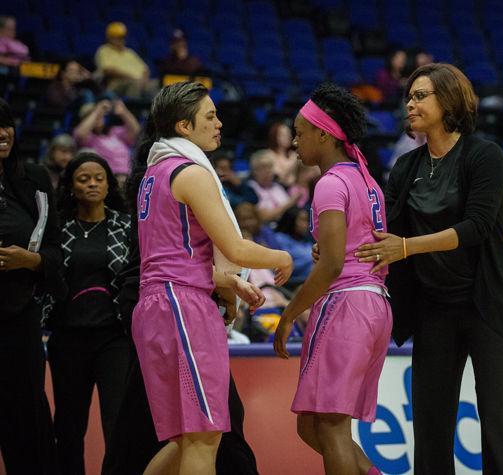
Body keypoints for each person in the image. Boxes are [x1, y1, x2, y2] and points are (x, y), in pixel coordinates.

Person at [353, 63, 503, 473]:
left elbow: (476, 227)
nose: (410, 104)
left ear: (448, 100)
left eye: (420, 96)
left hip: (487, 302)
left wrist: (407, 247)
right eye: (409, 97)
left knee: (498, 417)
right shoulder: (405, 168)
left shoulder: (484, 155)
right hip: (434, 306)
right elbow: (384, 232)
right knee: (431, 423)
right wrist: (338, 249)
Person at [132, 81, 292, 474]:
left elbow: (173, 256)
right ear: (184, 127)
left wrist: (228, 282)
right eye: (210, 116)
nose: (219, 123)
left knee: (187, 439)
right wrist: (280, 254)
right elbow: (237, 248)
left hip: (159, 304)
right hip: (181, 306)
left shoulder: (154, 173)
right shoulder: (190, 174)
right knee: (204, 437)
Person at [273, 83, 390, 475]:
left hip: (347, 303)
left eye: (300, 132)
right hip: (374, 302)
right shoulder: (365, 178)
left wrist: (290, 313)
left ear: (323, 134)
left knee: (331, 425)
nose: (294, 142)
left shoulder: (330, 183)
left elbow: (333, 263)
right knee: (312, 426)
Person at [44, 152, 133, 474]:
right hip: (68, 339)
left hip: (115, 338)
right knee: (68, 427)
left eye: (99, 178)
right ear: (70, 186)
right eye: (83, 179)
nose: (92, 184)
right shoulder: (56, 231)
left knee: (117, 423)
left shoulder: (126, 226)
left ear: (110, 184)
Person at [0, 98, 64, 474]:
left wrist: (32, 260)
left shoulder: (35, 179)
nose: (1, 134)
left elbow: (55, 248)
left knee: (28, 413)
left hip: (21, 319)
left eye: (5, 124)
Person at [73, 99, 141, 182]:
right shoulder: (89, 139)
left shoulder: (114, 132)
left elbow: (136, 131)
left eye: (101, 114)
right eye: (91, 115)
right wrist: (97, 110)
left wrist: (124, 112)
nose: (98, 116)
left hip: (128, 176)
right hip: (108, 179)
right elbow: (80, 134)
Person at [94, 22, 157, 99]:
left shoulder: (129, 52)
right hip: (115, 83)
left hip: (139, 81)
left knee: (156, 84)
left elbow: (145, 70)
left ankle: (154, 110)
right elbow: (108, 70)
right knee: (134, 84)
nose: (121, 40)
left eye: (122, 37)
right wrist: (132, 78)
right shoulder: (104, 50)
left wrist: (143, 80)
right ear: (109, 38)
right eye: (117, 37)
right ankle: (133, 109)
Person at [246, 149, 298, 224]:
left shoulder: (278, 187)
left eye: (270, 167)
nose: (268, 171)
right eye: (263, 167)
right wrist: (290, 202)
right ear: (255, 171)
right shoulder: (250, 188)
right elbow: (264, 217)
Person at [267, 121, 299, 188]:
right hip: (278, 189)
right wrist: (293, 162)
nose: (288, 137)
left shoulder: (294, 155)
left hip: (295, 189)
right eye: (284, 135)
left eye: (289, 134)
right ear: (275, 136)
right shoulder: (269, 155)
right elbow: (279, 178)